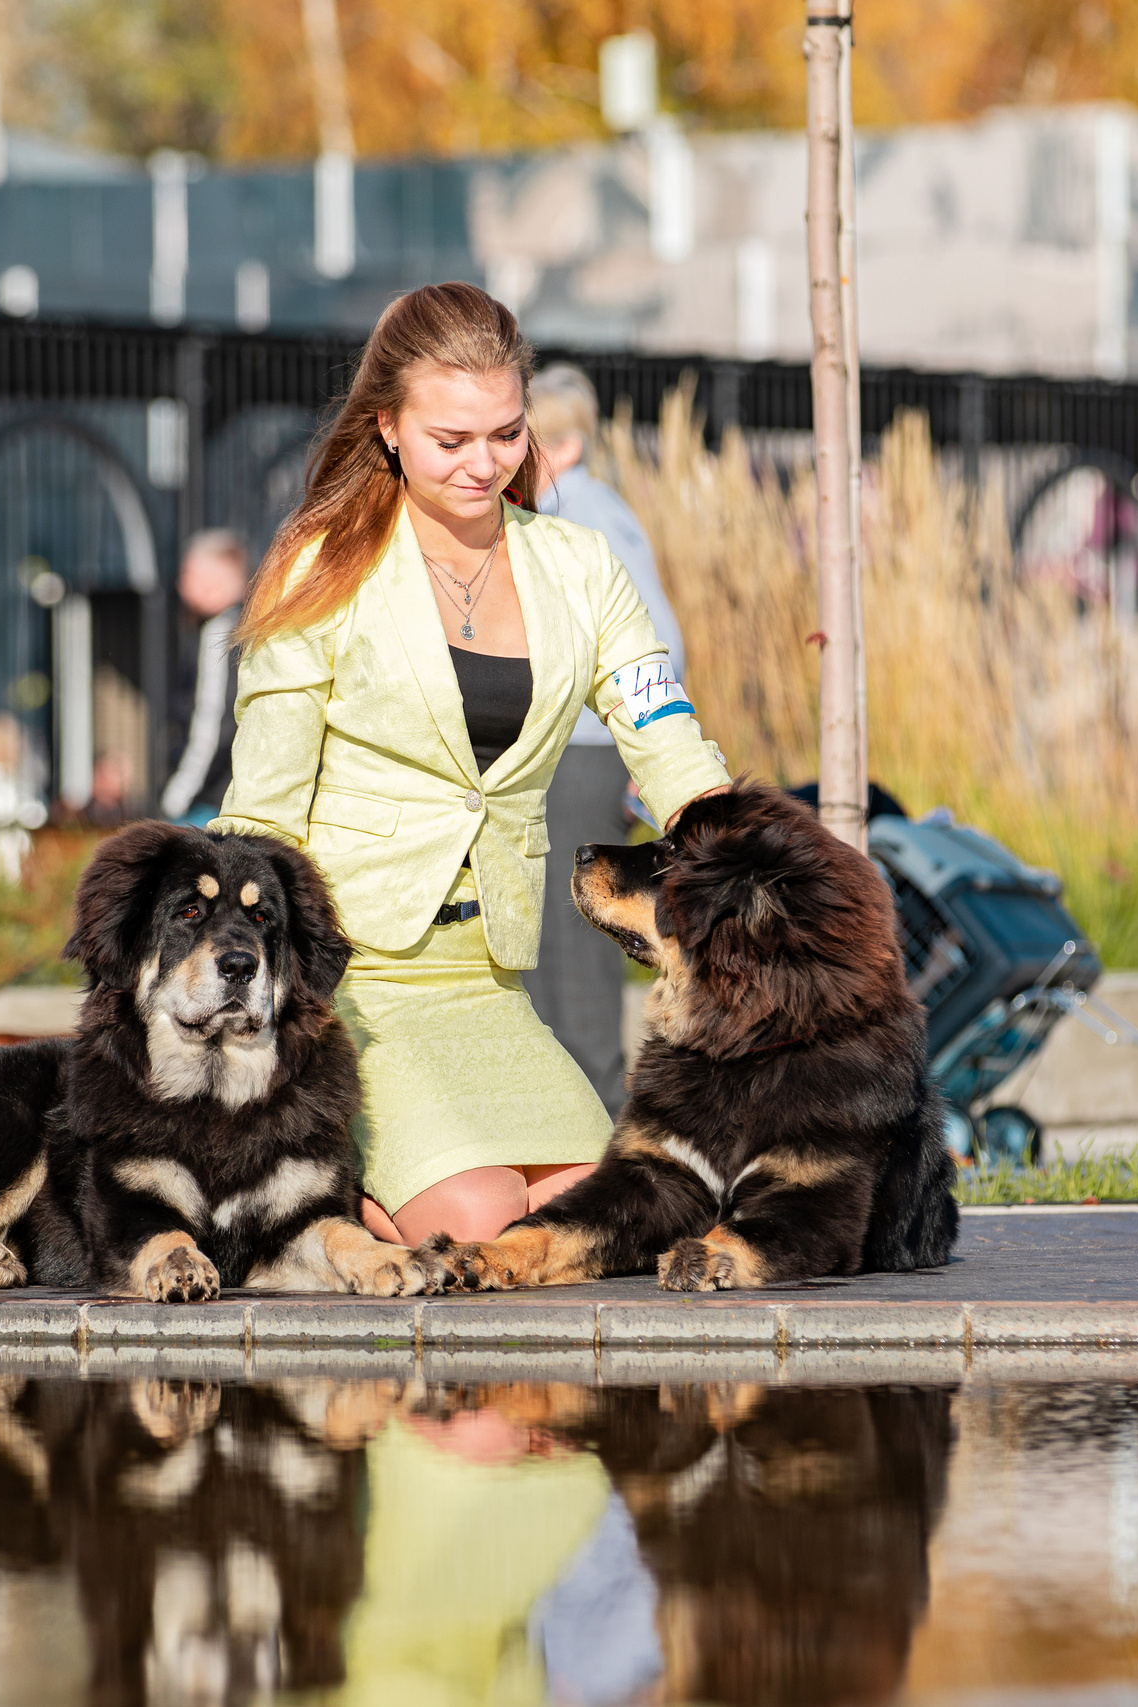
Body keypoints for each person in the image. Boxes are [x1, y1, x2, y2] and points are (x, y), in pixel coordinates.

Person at [208, 282, 730, 1247]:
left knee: (626, 1214)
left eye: (506, 434)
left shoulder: (580, 568)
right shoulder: (321, 568)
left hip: (486, 983)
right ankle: (322, 1205)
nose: (484, 464)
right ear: (389, 429)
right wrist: (261, 996)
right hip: (351, 987)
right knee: (487, 1216)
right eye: (452, 439)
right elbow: (264, 815)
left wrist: (748, 852)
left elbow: (667, 738)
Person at [526, 363, 687, 1116]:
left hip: (585, 746)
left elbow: (652, 635)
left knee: (575, 933)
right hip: (584, 743)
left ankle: (594, 1113)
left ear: (554, 441)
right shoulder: (590, 505)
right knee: (560, 931)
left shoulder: (577, 510)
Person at [158, 528, 250, 823]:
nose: (180, 585)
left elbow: (210, 725)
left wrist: (176, 800)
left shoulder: (220, 633)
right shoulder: (252, 625)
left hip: (211, 803)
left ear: (215, 578)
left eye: (188, 573)